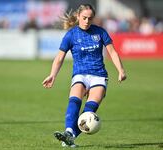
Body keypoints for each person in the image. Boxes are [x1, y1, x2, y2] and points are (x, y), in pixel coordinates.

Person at [42, 4, 127, 148]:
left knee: (88, 112)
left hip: (99, 76)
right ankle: (69, 131)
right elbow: (59, 58)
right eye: (84, 18)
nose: (87, 21)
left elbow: (112, 52)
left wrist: (121, 70)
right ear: (78, 16)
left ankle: (70, 136)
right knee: (74, 100)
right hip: (80, 74)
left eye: (90, 18)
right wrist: (52, 75)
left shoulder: (100, 32)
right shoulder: (71, 35)